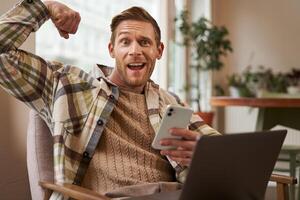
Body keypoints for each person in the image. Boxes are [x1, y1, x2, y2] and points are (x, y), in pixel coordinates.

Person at [0, 0, 220, 199]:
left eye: (144, 42)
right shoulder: (68, 85)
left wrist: (206, 153)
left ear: (159, 50)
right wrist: (45, 7)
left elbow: (228, 153)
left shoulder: (170, 103)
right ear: (112, 49)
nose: (135, 51)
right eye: (125, 42)